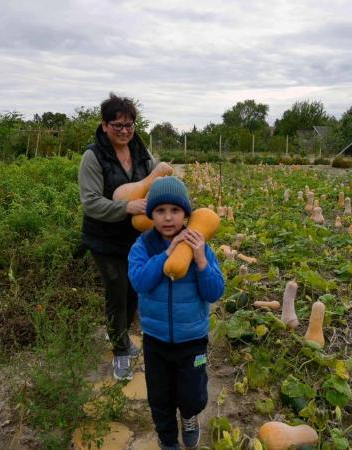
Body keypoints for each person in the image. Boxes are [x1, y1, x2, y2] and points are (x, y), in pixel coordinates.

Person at [128, 176, 225, 450]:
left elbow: (214, 292)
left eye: (175, 210)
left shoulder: (201, 246)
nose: (168, 218)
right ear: (151, 215)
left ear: (186, 214)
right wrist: (167, 254)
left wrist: (201, 261)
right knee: (160, 397)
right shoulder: (143, 247)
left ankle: (190, 416)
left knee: (192, 393)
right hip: (156, 339)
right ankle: (167, 438)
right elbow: (139, 282)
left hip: (192, 339)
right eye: (160, 211)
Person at [78, 93, 155, 381]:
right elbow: (91, 202)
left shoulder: (140, 151)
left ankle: (123, 339)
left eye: (129, 124)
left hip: (136, 237)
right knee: (116, 291)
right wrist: (127, 207)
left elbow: (153, 183)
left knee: (134, 288)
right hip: (104, 238)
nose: (124, 131)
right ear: (104, 125)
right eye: (118, 125)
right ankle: (120, 350)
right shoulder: (93, 156)